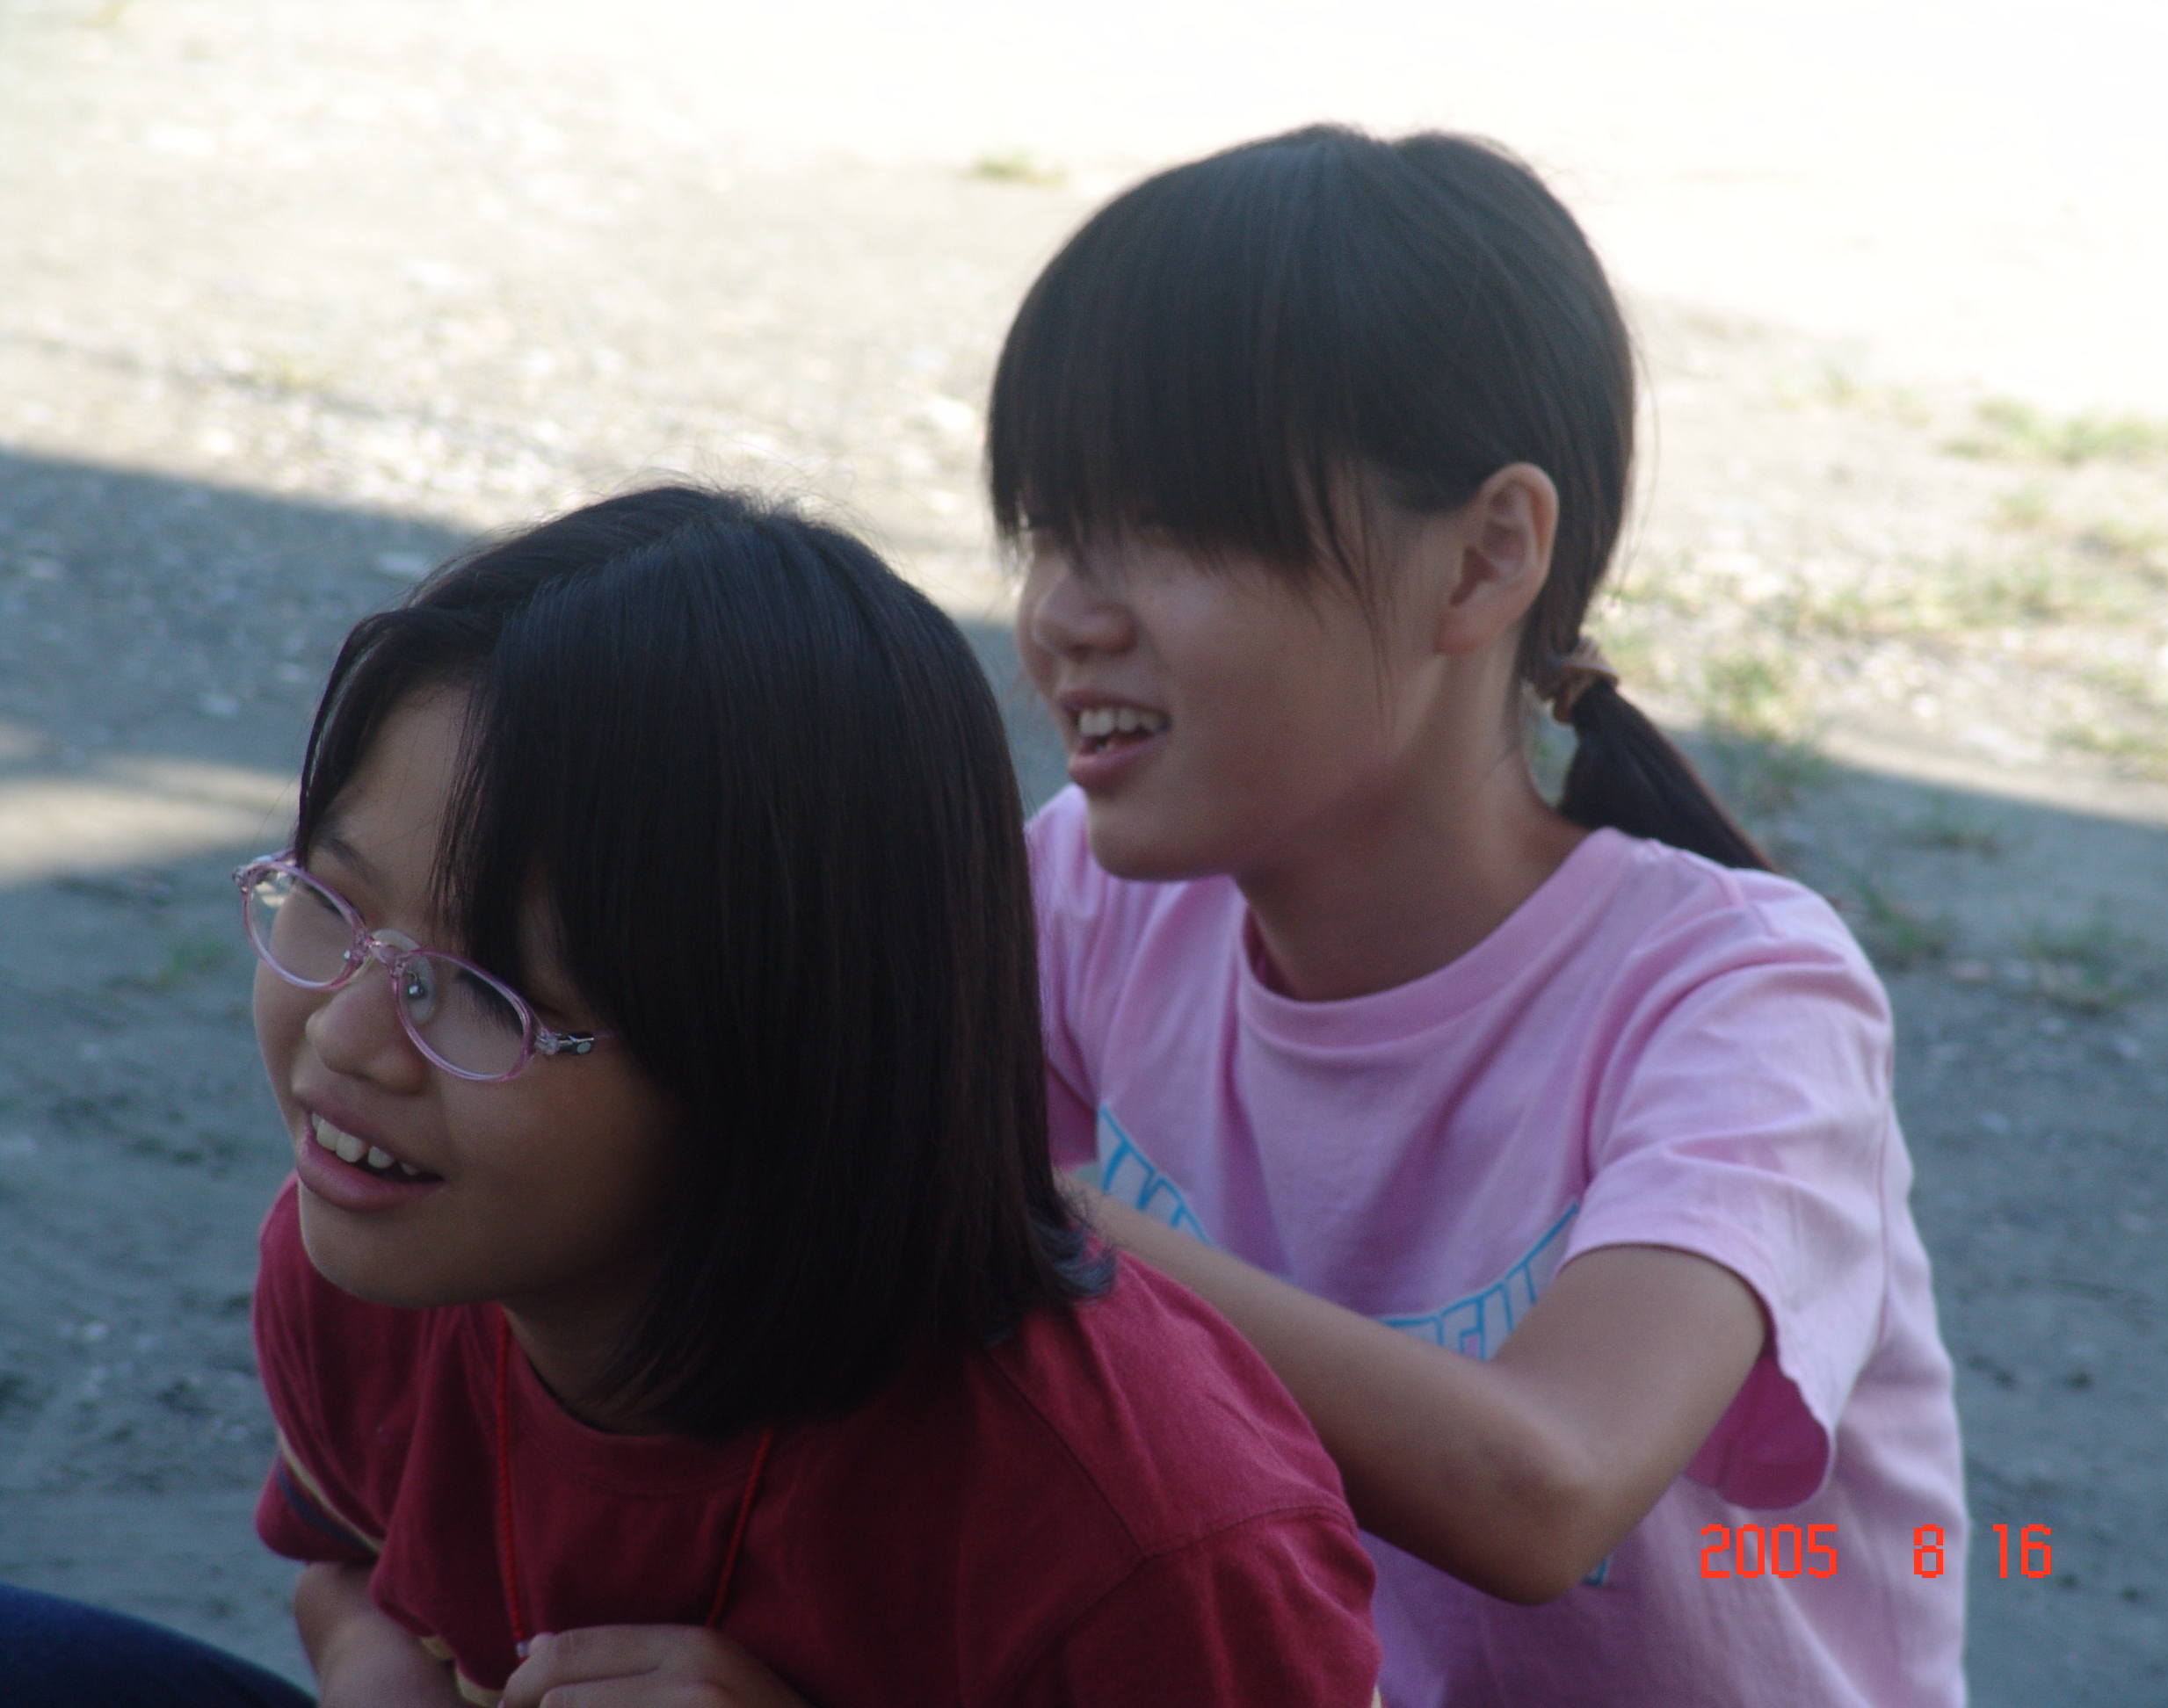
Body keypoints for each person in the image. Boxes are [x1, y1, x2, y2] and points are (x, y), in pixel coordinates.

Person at [9, 488, 1380, 1708]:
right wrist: (377, 1671)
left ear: (777, 1059)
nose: (349, 1037)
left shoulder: (1141, 1541)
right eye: (330, 901)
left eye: (484, 990)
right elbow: (352, 1564)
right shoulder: (374, 1255)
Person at [993, 126, 1969, 1707]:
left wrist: (1014, 1217)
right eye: (1048, 529)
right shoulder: (1084, 902)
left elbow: (1545, 1484)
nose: (1062, 615)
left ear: (1484, 559)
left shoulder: (1741, 1001)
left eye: (1169, 525)